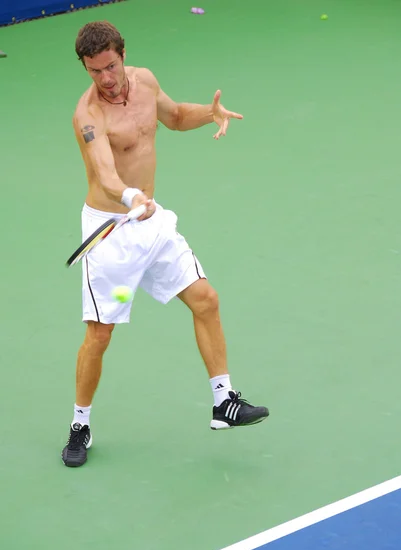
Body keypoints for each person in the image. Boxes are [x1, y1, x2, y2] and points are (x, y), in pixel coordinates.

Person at [62, 20, 269, 468]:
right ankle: (80, 423)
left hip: (152, 229)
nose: (106, 79)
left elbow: (173, 116)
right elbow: (105, 172)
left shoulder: (147, 80)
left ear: (122, 55)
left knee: (206, 299)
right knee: (100, 334)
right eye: (94, 71)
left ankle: (224, 401)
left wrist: (208, 114)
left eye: (111, 66)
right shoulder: (88, 115)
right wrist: (130, 195)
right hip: (111, 239)